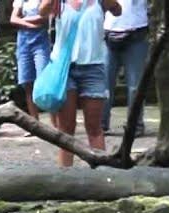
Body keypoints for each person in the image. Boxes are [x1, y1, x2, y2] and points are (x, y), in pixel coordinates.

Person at [42, 0, 121, 166]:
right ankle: (65, 178)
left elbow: (118, 11)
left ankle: (102, 177)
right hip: (65, 69)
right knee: (66, 129)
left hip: (93, 68)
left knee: (94, 126)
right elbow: (42, 11)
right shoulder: (60, 2)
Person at [102, 0, 147, 135]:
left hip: (136, 31)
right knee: (104, 84)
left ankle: (135, 125)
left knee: (135, 86)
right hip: (109, 31)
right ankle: (101, 124)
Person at [10, 0, 52, 122]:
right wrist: (31, 24)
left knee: (44, 80)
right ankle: (34, 122)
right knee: (27, 83)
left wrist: (22, 21)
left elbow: (44, 18)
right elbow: (13, 18)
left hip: (41, 41)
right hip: (23, 42)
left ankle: (55, 122)